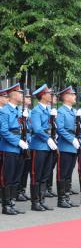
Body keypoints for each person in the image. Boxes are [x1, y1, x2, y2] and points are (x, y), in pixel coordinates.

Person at [0, 83, 28, 215]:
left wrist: (24, 141)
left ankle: (12, 203)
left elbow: (23, 129)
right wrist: (18, 142)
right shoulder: (4, 111)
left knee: (17, 177)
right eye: (20, 93)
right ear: (13, 95)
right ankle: (6, 206)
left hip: (19, 148)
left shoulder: (19, 111)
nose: (22, 95)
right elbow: (4, 131)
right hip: (9, 148)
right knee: (8, 177)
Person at [29, 84, 56, 211]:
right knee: (36, 174)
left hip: (49, 146)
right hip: (39, 146)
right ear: (43, 95)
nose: (51, 95)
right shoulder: (36, 111)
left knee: (45, 175)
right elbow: (37, 129)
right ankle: (35, 202)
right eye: (49, 93)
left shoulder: (48, 110)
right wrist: (48, 138)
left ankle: (42, 200)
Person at [56, 86, 81, 208]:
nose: (75, 96)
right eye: (72, 94)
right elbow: (60, 129)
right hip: (65, 146)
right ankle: (61, 200)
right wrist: (72, 139)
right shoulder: (61, 111)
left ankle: (67, 197)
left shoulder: (73, 111)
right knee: (63, 173)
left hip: (73, 146)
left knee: (69, 173)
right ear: (66, 97)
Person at [16, 88, 32, 202]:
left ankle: (22, 190)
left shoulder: (30, 111)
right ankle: (16, 192)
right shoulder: (18, 110)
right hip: (20, 142)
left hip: (29, 142)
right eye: (26, 97)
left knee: (26, 168)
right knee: (18, 169)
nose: (29, 98)